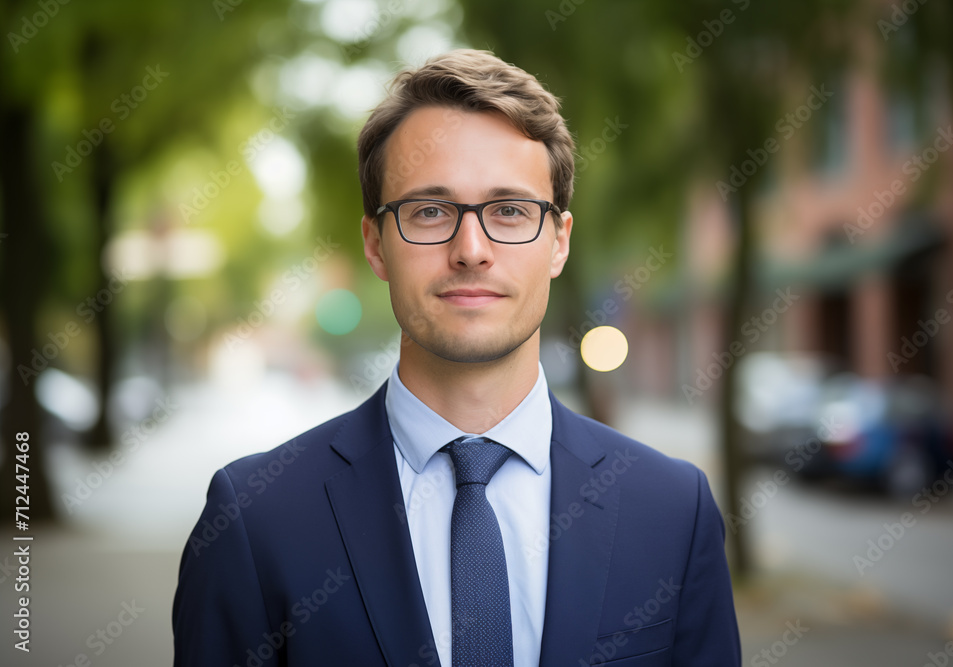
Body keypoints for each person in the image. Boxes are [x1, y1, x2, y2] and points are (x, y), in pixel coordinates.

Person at [172, 49, 741, 667]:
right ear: (376, 245)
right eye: (430, 211)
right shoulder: (255, 518)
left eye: (510, 211)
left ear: (559, 242)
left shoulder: (672, 512)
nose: (471, 250)